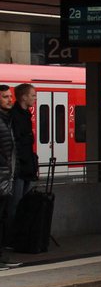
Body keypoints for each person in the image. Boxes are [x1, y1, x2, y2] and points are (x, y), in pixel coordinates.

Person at [9, 84, 37, 221]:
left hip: (27, 165)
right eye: (33, 95)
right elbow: (17, 141)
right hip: (19, 167)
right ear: (24, 97)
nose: (35, 98)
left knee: (22, 202)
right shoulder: (15, 116)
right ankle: (12, 236)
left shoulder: (25, 114)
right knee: (16, 203)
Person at [0, 85, 15, 266]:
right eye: (5, 97)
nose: (10, 99)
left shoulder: (6, 120)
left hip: (5, 177)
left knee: (3, 217)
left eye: (10, 96)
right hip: (2, 176)